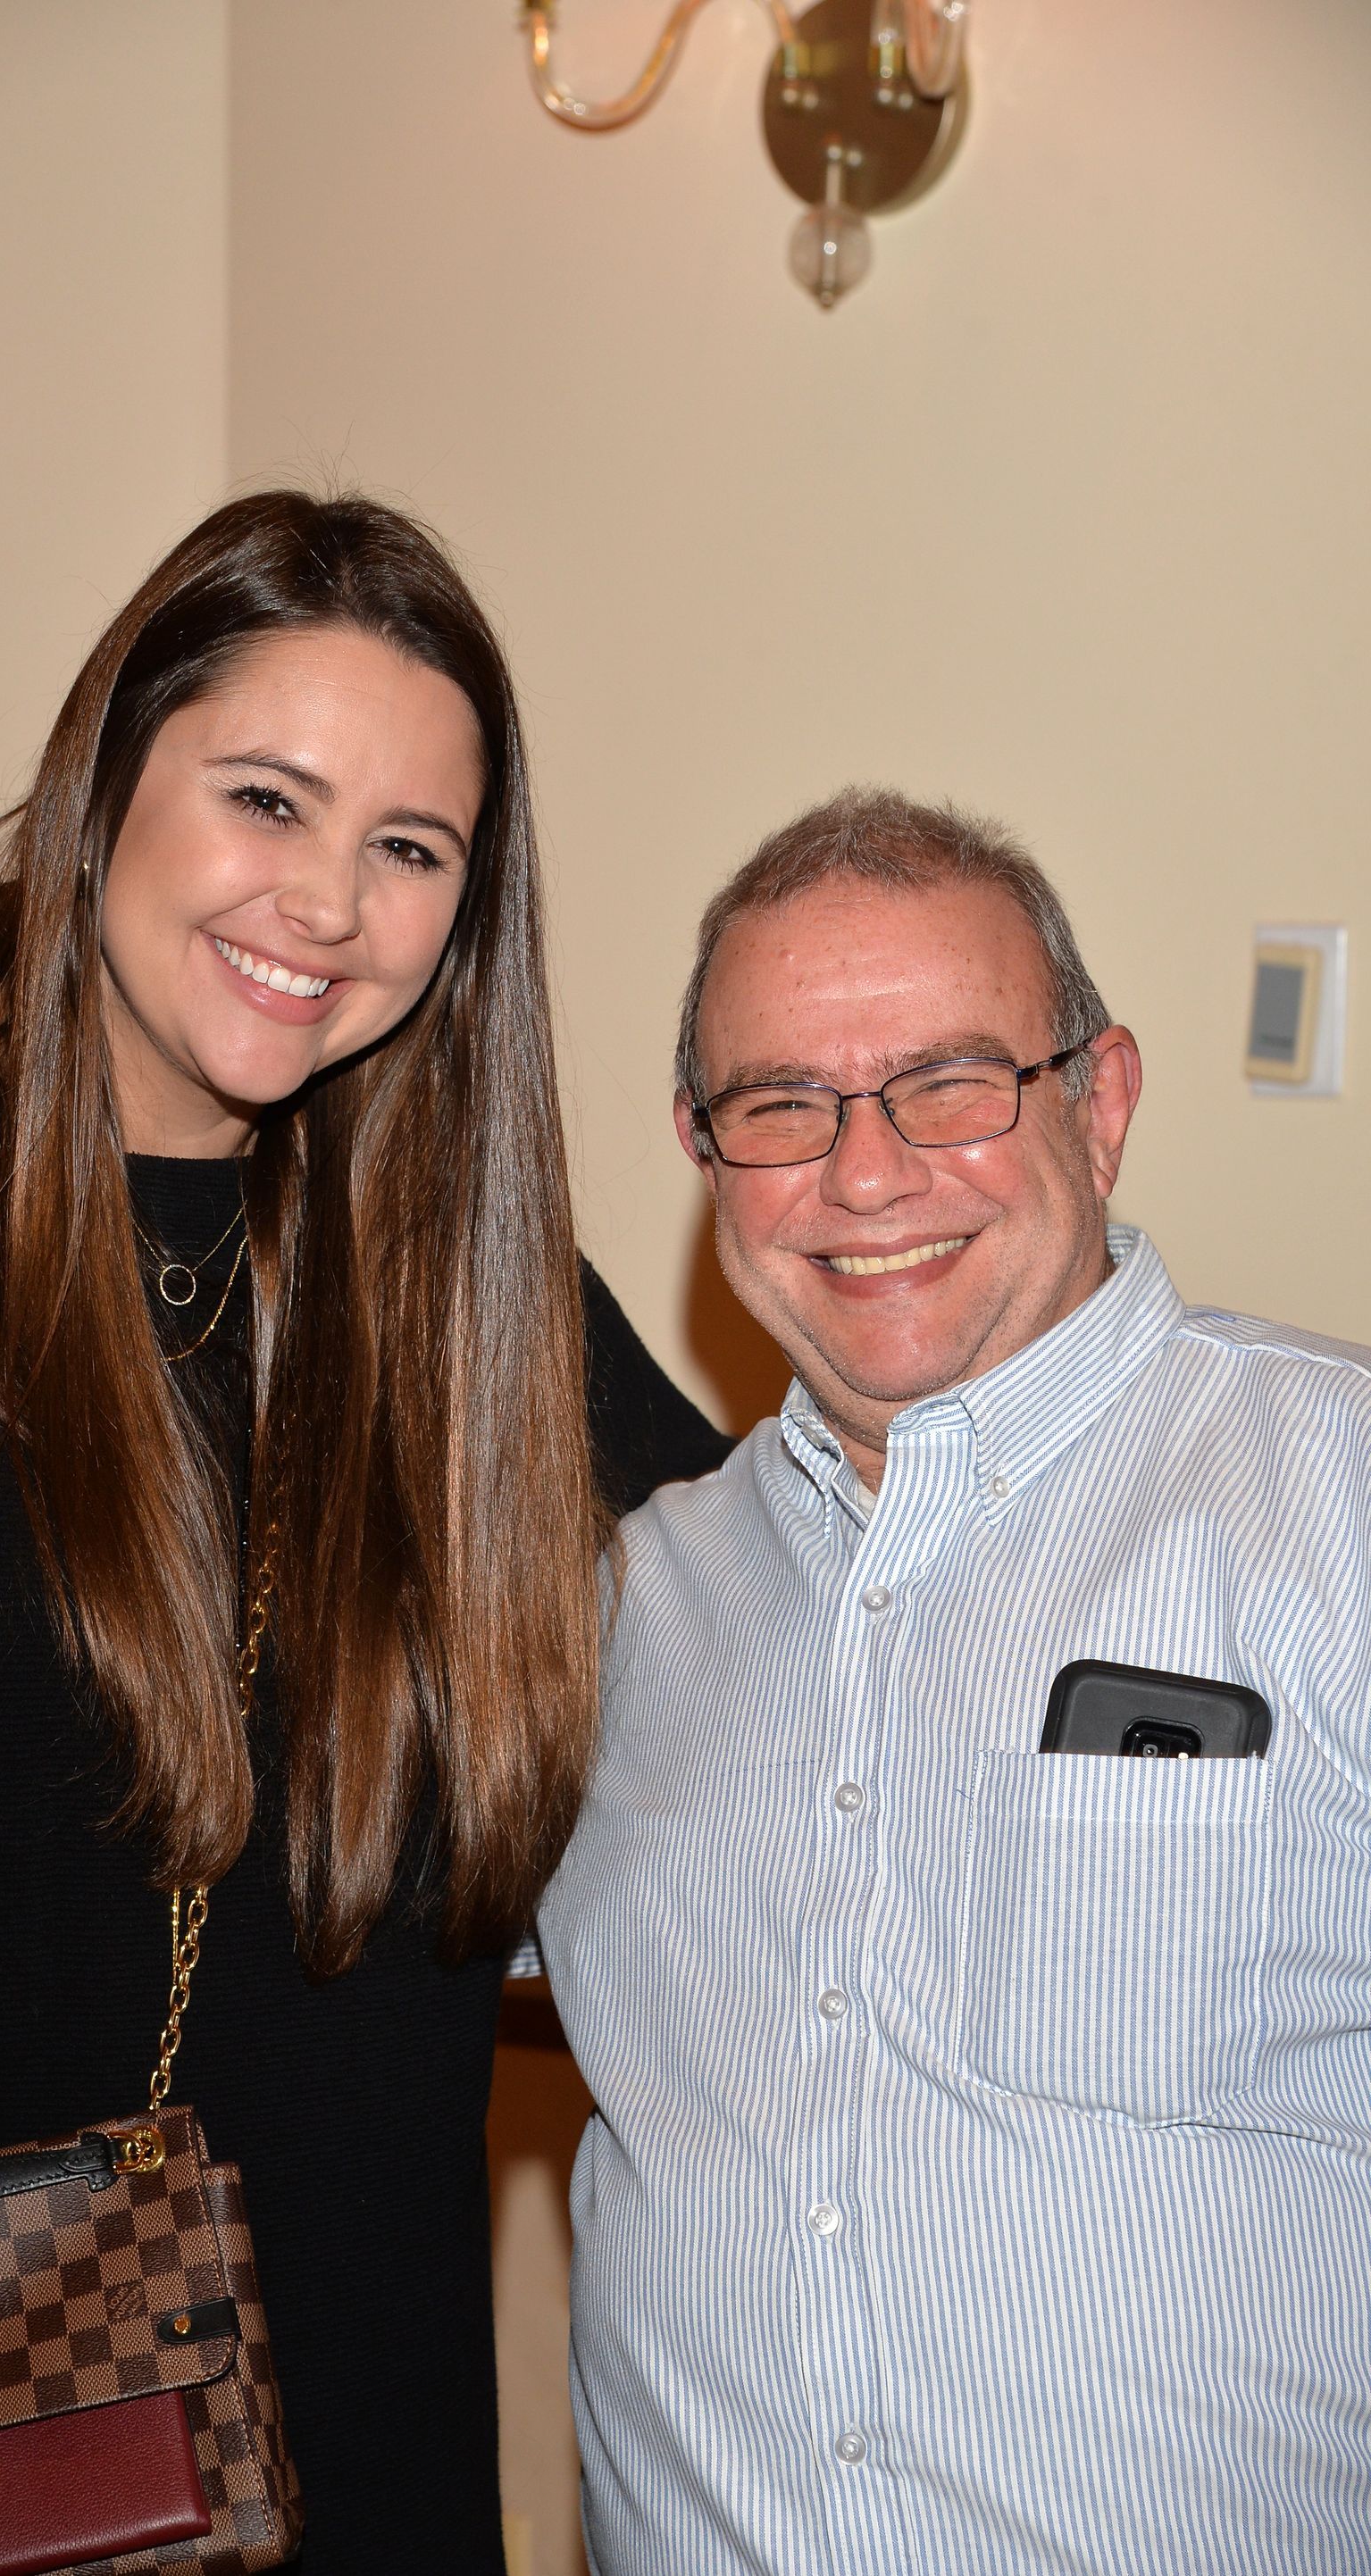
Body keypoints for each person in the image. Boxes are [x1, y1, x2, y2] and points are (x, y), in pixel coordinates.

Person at [0, 490, 727, 2573]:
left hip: (358, 2455)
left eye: (409, 851)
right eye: (267, 798)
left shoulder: (452, 1271)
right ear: (104, 779)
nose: (326, 905)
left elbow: (761, 1585)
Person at [539, 786, 1371, 2575]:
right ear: (704, 1153)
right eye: (783, 1107)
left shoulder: (1340, 1501)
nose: (866, 1171)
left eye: (953, 1082)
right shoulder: (614, 1610)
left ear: (1105, 1099)